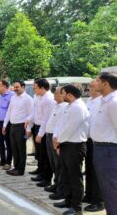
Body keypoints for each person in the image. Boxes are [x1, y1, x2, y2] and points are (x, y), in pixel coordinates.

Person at [53, 84, 89, 215]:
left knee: (75, 177)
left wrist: (58, 141)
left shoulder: (79, 107)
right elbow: (60, 123)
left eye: (63, 93)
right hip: (65, 143)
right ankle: (68, 200)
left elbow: (70, 128)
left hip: (75, 145)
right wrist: (56, 138)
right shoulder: (69, 106)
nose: (61, 96)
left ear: (69, 95)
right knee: (66, 174)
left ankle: (77, 207)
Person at [90, 72, 117, 215]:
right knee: (106, 187)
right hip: (100, 148)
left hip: (109, 150)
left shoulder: (113, 102)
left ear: (106, 84)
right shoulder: (104, 100)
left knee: (111, 187)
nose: (95, 83)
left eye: (98, 80)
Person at [29, 79, 55, 188]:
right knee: (40, 153)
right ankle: (41, 172)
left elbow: (46, 119)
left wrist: (40, 134)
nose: (34, 90)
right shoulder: (39, 97)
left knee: (45, 155)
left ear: (42, 88)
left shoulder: (48, 99)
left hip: (43, 129)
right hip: (37, 126)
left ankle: (46, 178)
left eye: (35, 87)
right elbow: (34, 113)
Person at [3, 80, 33, 176]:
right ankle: (15, 167)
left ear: (23, 87)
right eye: (14, 87)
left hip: (21, 127)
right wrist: (5, 125)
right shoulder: (13, 97)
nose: (15, 89)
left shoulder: (28, 99)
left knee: (21, 149)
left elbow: (31, 115)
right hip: (12, 126)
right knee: (14, 148)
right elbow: (9, 112)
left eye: (17, 87)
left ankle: (20, 170)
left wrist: (28, 130)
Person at [83, 80, 104, 212]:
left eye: (91, 87)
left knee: (97, 173)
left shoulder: (103, 101)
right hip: (88, 139)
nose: (88, 89)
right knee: (89, 169)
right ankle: (89, 194)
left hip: (99, 141)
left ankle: (99, 201)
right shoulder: (89, 100)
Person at [45, 87, 67, 200]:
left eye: (57, 93)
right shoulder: (56, 105)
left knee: (59, 164)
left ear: (63, 95)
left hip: (56, 138)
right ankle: (56, 183)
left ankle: (61, 189)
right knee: (53, 163)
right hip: (49, 136)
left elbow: (61, 125)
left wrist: (57, 139)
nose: (54, 95)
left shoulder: (64, 107)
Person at [0, 79, 14, 170]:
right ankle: (2, 159)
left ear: (5, 86)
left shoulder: (12, 96)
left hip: (8, 123)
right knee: (0, 142)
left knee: (8, 143)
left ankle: (8, 162)